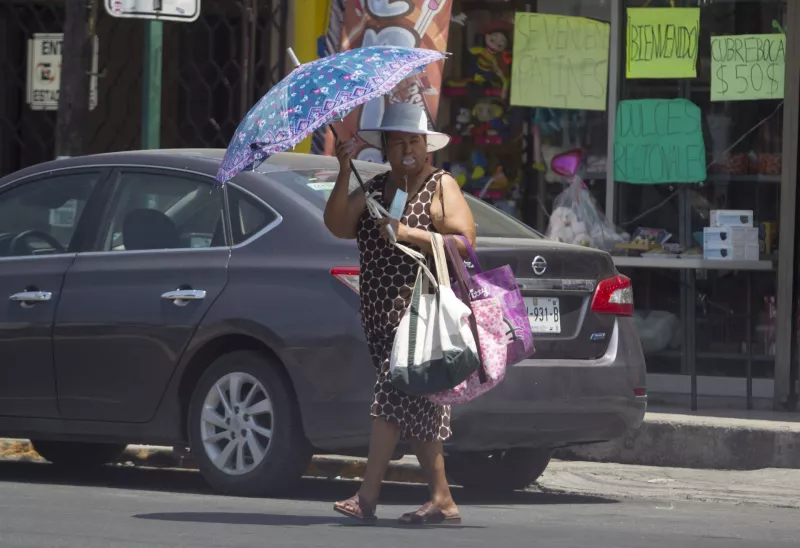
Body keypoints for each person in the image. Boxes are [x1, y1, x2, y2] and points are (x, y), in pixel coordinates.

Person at [323, 102, 476, 525]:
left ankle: (367, 497)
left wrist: (407, 232)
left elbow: (466, 242)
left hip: (418, 315)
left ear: (427, 147)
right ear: (386, 148)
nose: (407, 150)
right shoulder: (375, 187)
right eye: (398, 143)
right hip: (378, 315)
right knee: (418, 405)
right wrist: (344, 170)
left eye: (414, 142)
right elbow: (337, 225)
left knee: (390, 399)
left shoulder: (440, 185)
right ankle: (442, 499)